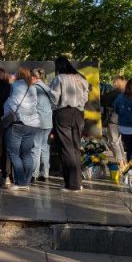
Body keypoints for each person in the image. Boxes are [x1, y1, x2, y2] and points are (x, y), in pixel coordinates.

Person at [50, 56, 89, 191]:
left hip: (63, 113)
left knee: (66, 148)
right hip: (78, 113)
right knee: (75, 147)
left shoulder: (59, 78)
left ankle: (72, 184)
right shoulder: (81, 78)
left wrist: (55, 107)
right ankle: (78, 182)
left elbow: (54, 97)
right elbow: (85, 97)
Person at [5, 66, 41, 190]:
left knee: (14, 152)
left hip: (18, 122)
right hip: (33, 124)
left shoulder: (14, 86)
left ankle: (21, 182)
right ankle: (27, 181)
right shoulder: (33, 88)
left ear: (18, 75)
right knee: (27, 153)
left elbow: (10, 103)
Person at [30, 68, 55, 182]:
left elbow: (32, 105)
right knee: (45, 148)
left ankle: (34, 174)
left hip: (38, 122)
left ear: (34, 77)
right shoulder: (48, 88)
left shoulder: (33, 88)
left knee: (36, 148)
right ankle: (45, 173)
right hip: (48, 122)